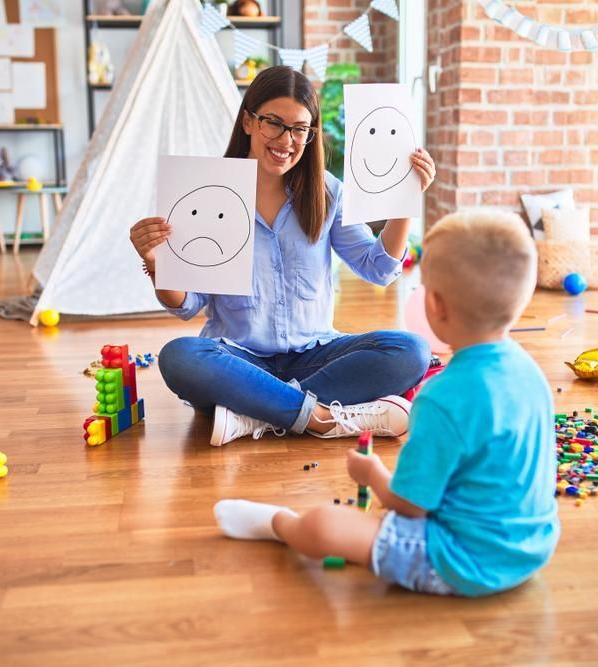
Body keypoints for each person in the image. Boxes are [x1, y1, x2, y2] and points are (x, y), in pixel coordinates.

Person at [213, 210, 560, 596]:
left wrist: (373, 474)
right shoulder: (531, 373)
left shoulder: (442, 398)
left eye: (423, 288)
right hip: (533, 547)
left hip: (464, 560)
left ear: (437, 307)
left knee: (324, 526)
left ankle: (280, 523)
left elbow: (410, 507)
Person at [130, 66, 437, 446]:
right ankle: (320, 417)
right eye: (273, 123)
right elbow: (188, 305)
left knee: (411, 351)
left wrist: (403, 200)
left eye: (300, 129)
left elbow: (379, 269)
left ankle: (255, 414)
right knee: (180, 356)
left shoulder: (326, 193)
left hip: (315, 354)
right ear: (248, 122)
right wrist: (159, 264)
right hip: (239, 360)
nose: (286, 140)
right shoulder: (211, 191)